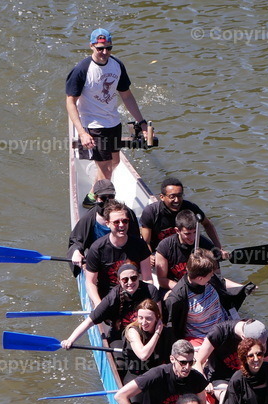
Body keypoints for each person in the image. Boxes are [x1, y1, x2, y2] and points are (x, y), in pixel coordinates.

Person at [65, 28, 151, 195]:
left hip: (113, 122)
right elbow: (70, 102)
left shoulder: (117, 65)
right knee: (106, 172)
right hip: (93, 124)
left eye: (108, 48)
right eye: (100, 48)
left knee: (115, 162)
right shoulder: (82, 70)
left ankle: (92, 192)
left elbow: (127, 96)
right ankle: (101, 202)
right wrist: (82, 133)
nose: (105, 52)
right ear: (91, 46)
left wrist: (142, 123)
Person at [114, 339, 208, 404]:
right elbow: (120, 396)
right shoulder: (156, 375)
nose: (187, 367)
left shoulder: (197, 378)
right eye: (183, 362)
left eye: (191, 362)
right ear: (172, 359)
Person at [61, 260, 162, 347]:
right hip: (120, 335)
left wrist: (156, 335)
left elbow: (158, 318)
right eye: (125, 280)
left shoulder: (151, 290)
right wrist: (70, 340)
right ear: (119, 281)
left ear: (139, 277)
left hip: (147, 332)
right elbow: (89, 321)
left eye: (134, 278)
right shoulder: (113, 296)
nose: (130, 282)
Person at [164, 250, 239, 345]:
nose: (213, 275)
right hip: (201, 338)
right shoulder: (178, 298)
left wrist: (242, 288)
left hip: (224, 327)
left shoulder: (210, 279)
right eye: (211, 275)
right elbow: (173, 328)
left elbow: (222, 284)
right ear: (200, 278)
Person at [84, 201, 151, 305]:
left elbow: (147, 278)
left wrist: (146, 303)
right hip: (108, 298)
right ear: (107, 223)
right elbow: (90, 283)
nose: (121, 225)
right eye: (116, 222)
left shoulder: (140, 245)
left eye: (125, 221)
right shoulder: (97, 249)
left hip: (134, 294)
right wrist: (98, 304)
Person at [67, 178, 140, 273]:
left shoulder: (127, 213)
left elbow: (135, 239)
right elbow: (76, 241)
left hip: (124, 259)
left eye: (111, 197)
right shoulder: (88, 218)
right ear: (95, 197)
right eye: (103, 198)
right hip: (99, 260)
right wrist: (76, 252)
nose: (107, 202)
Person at [139, 176, 225, 254]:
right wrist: (149, 256)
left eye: (179, 195)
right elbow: (146, 242)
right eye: (172, 196)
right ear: (162, 197)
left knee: (215, 255)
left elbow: (207, 224)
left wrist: (219, 247)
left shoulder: (190, 207)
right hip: (160, 251)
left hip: (186, 246)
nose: (176, 200)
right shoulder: (151, 212)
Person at [120, 299, 171, 380]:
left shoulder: (166, 332)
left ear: (157, 317)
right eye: (140, 318)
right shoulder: (132, 331)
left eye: (148, 318)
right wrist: (157, 333)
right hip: (137, 373)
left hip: (156, 372)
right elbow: (143, 356)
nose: (143, 322)